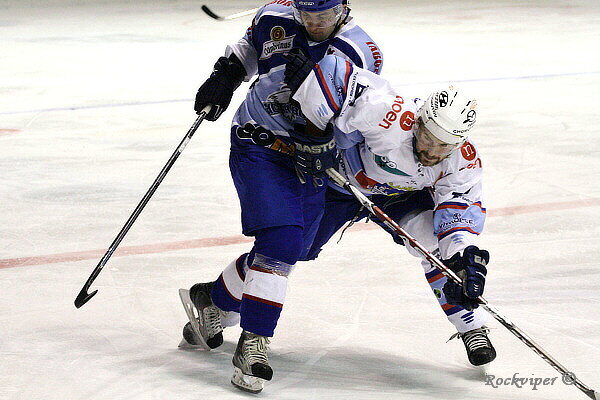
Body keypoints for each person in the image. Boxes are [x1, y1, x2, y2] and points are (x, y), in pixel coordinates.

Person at [178, 0, 384, 393]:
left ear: (344, 8)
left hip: (310, 159)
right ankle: (253, 345)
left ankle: (213, 300)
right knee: (282, 243)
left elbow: (353, 117)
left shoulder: (360, 52)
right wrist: (227, 73)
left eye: (324, 17)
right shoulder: (274, 17)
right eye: (307, 17)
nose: (315, 24)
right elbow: (250, 47)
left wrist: (321, 138)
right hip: (258, 143)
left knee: (295, 249)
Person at [282, 52, 496, 367]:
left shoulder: (462, 159)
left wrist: (462, 259)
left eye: (444, 146)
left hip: (401, 196)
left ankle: (471, 327)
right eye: (428, 138)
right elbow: (339, 74)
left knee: (438, 249)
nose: (432, 152)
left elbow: (458, 214)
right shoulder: (389, 115)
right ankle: (219, 302)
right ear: (419, 121)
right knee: (289, 248)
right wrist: (312, 84)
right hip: (341, 184)